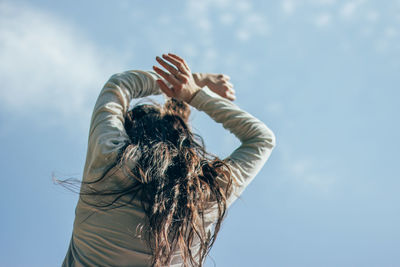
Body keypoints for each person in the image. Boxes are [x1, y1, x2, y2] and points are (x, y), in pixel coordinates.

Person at [61, 53, 276, 267]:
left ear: (130, 129)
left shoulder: (112, 158)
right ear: (186, 142)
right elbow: (262, 139)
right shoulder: (206, 195)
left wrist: (197, 80)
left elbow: (120, 84)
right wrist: (194, 93)